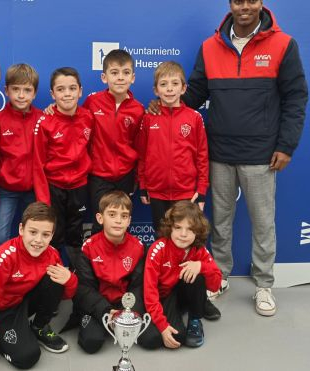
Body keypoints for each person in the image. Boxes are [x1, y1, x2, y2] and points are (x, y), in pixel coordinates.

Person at [178, 0, 308, 316]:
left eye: (251, 0)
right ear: (231, 4)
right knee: (220, 221)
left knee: (263, 223)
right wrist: (167, 103)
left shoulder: (283, 44)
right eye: (239, 0)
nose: (245, 6)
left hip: (262, 155)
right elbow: (194, 93)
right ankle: (219, 276)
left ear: (260, 3)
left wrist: (286, 145)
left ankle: (264, 285)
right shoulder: (210, 47)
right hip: (219, 152)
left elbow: (295, 98)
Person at [0, 202, 78, 371]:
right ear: (21, 229)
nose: (38, 240)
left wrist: (70, 280)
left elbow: (62, 296)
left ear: (52, 235)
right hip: (3, 311)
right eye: (33, 232)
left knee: (56, 278)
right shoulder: (1, 258)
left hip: (24, 300)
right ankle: (0, 337)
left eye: (45, 234)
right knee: (27, 358)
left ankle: (39, 326)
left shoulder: (52, 254)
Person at [138, 201, 222, 350]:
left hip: (179, 296)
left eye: (189, 229)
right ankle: (168, 319)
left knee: (198, 275)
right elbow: (150, 292)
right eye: (178, 227)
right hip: (161, 298)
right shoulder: (158, 248)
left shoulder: (199, 250)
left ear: (197, 232)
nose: (183, 234)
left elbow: (215, 285)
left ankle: (195, 320)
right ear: (170, 227)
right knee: (163, 339)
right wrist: (162, 326)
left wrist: (201, 266)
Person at [137, 61, 208, 234]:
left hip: (186, 192)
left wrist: (201, 190)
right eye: (163, 84)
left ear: (183, 88)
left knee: (184, 236)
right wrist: (143, 185)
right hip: (157, 192)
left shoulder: (194, 118)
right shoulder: (148, 119)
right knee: (162, 237)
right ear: (156, 90)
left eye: (175, 84)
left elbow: (202, 157)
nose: (169, 89)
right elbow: (142, 155)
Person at [32, 67, 94, 266]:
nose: (67, 94)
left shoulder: (89, 117)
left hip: (80, 187)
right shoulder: (45, 121)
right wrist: (43, 199)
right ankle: (53, 278)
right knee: (55, 234)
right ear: (52, 94)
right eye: (61, 89)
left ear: (80, 91)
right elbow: (38, 163)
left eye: (72, 88)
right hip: (54, 188)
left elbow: (93, 150)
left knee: (76, 235)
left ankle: (77, 279)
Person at [72, 191, 145, 354]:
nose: (118, 220)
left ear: (129, 221)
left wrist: (128, 313)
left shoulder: (138, 248)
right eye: (112, 214)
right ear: (100, 218)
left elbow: (138, 287)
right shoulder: (88, 248)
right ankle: (100, 321)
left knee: (150, 339)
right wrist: (106, 311)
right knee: (91, 342)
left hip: (125, 305)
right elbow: (84, 289)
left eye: (124, 216)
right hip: (99, 304)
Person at [83, 50, 144, 234]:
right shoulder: (92, 102)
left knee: (120, 225)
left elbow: (140, 146)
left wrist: (137, 178)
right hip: (98, 176)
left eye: (125, 73)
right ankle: (95, 262)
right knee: (100, 223)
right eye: (114, 72)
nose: (120, 78)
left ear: (133, 78)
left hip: (125, 177)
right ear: (104, 77)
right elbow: (76, 125)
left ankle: (118, 263)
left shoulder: (138, 109)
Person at [0, 63, 43, 248]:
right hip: (7, 189)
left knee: (36, 236)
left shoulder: (43, 118)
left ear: (34, 93)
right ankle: (5, 272)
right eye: (16, 89)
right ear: (6, 90)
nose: (21, 95)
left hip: (34, 189)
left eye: (27, 90)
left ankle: (27, 273)